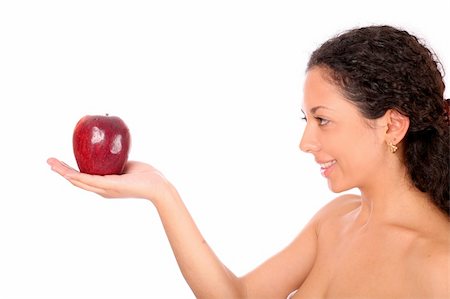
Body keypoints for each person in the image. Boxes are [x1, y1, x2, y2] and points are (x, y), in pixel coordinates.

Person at [48, 25, 450, 299]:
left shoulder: (440, 264)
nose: (305, 142)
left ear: (392, 126)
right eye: (306, 120)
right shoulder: (336, 220)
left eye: (323, 120)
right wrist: (161, 193)